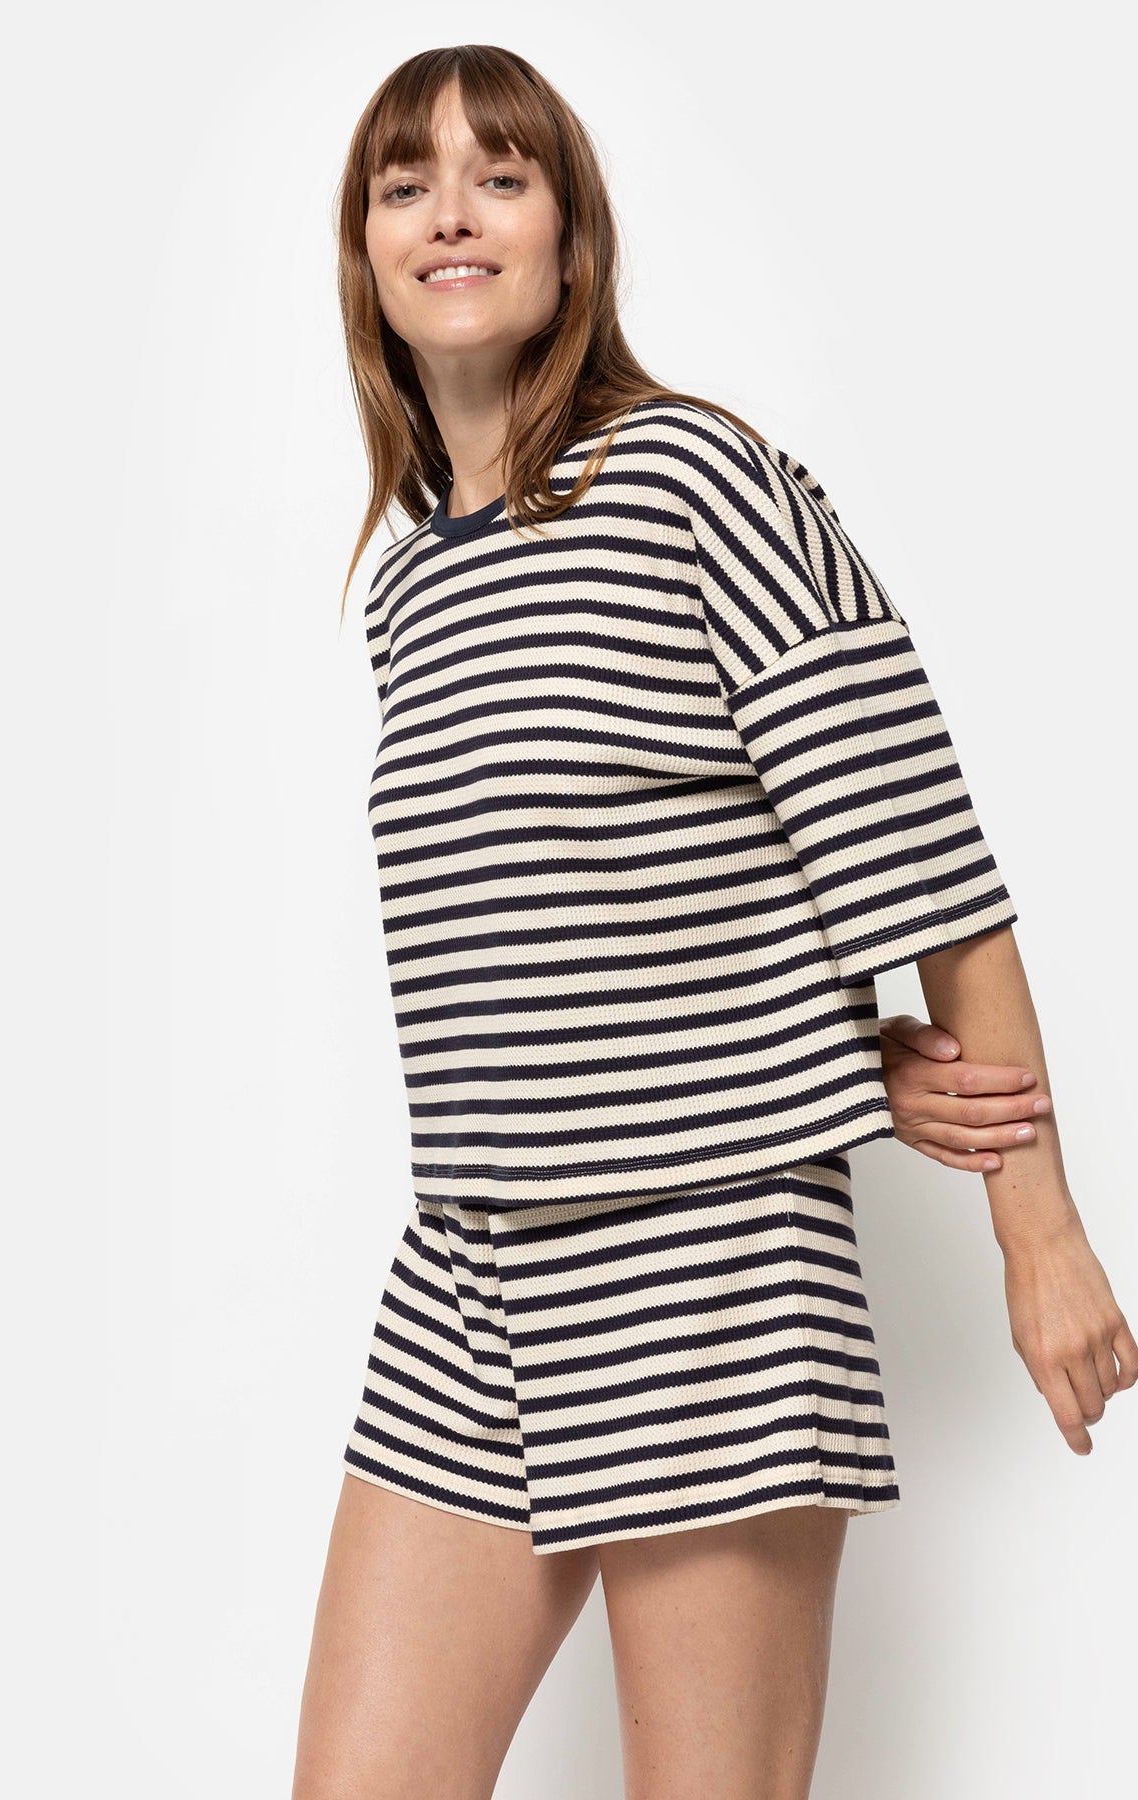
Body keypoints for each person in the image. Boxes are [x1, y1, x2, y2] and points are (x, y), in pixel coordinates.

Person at [292, 45, 1136, 1800]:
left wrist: (1040, 1231)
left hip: (712, 1268)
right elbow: (563, 917)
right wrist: (818, 1043)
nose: (451, 215)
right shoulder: (409, 579)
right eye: (405, 185)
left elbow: (925, 862)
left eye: (500, 176)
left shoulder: (698, 481)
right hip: (470, 1270)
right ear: (364, 247)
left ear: (571, 240)